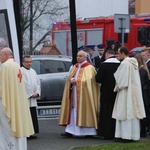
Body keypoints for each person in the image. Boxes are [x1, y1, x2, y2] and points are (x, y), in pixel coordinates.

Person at [59, 50, 100, 137]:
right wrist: (70, 80)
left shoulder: (89, 68)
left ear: (85, 57)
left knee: (85, 111)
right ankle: (70, 130)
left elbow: (89, 81)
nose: (78, 57)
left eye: (80, 56)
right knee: (73, 111)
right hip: (74, 93)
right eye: (77, 56)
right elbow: (69, 78)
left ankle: (89, 132)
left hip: (85, 95)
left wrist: (77, 81)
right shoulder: (75, 67)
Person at [0, 47, 34, 150]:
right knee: (18, 124)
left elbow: (2, 86)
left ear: (5, 55)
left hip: (7, 101)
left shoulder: (5, 66)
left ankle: (7, 147)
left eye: (0, 55)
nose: (0, 57)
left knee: (6, 126)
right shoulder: (16, 65)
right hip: (17, 102)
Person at [112, 46, 146, 142]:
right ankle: (133, 135)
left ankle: (124, 136)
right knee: (132, 113)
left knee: (124, 112)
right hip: (133, 92)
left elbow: (122, 81)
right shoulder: (133, 63)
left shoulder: (125, 64)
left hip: (125, 92)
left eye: (118, 53)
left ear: (123, 53)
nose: (117, 55)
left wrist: (116, 86)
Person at [95, 50, 120, 140]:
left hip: (106, 91)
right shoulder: (120, 64)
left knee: (105, 111)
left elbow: (98, 79)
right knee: (115, 111)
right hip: (117, 91)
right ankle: (115, 131)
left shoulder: (103, 65)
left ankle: (105, 132)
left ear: (107, 55)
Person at [21, 55, 41, 138]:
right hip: (26, 97)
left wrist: (37, 92)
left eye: (30, 62)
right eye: (27, 62)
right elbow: (24, 84)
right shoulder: (21, 71)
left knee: (32, 115)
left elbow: (38, 82)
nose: (29, 64)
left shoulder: (33, 71)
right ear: (23, 62)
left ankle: (32, 132)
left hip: (33, 97)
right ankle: (26, 133)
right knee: (26, 115)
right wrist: (30, 94)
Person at [135, 53, 150, 137]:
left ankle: (143, 130)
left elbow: (141, 83)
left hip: (142, 94)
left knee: (142, 112)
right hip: (144, 94)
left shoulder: (141, 70)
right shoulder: (144, 70)